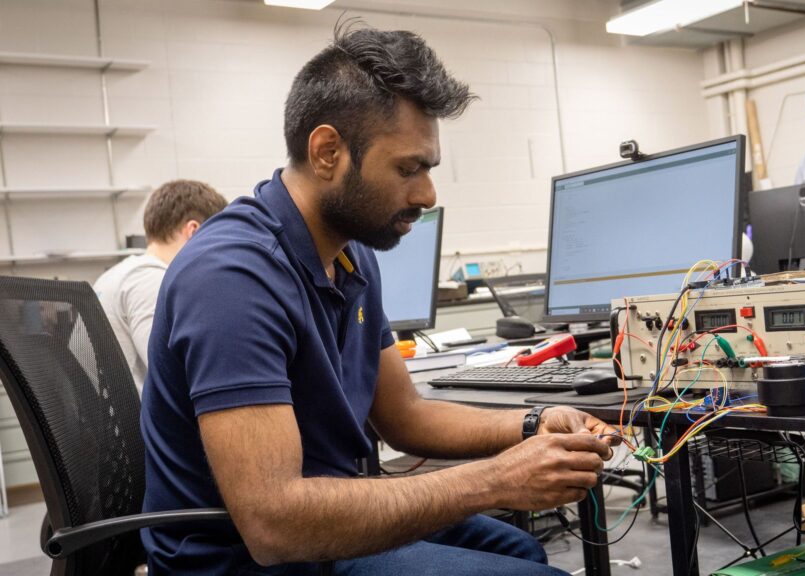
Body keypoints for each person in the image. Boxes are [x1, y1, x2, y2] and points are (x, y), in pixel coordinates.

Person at [141, 25, 618, 575]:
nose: (427, 194)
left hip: (316, 525)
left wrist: (536, 423)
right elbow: (274, 523)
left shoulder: (352, 255)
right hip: (246, 560)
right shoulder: (231, 276)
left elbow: (404, 416)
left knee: (517, 548)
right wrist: (497, 479)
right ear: (327, 152)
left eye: (429, 169)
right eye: (408, 169)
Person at [93, 179, 226, 393]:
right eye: (217, 239)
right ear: (193, 231)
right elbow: (176, 373)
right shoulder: (151, 280)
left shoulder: (116, 275)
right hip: (139, 424)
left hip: (106, 421)